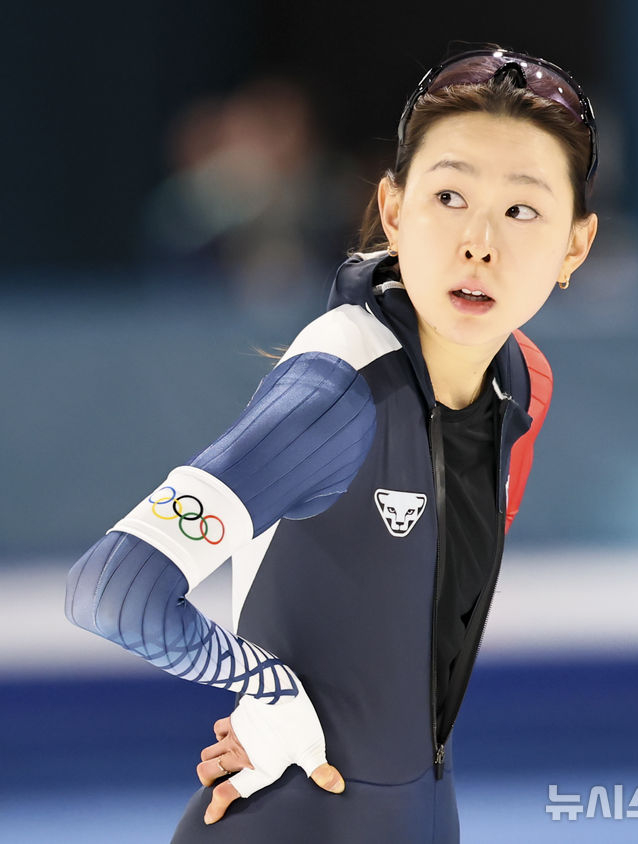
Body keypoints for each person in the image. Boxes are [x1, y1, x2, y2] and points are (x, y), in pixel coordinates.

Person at [65, 44, 599, 843]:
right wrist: (268, 690)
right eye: (449, 196)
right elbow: (111, 589)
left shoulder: (523, 385)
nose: (479, 242)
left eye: (522, 210)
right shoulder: (334, 394)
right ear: (393, 210)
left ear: (575, 247)